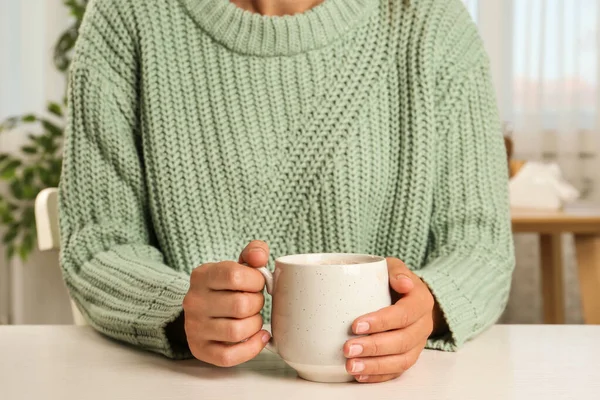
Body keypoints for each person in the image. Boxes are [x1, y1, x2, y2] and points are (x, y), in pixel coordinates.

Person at [59, 0, 515, 383]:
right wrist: (178, 309)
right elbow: (96, 242)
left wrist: (425, 309)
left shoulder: (429, 19)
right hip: (191, 387)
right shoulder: (128, 15)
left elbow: (480, 245)